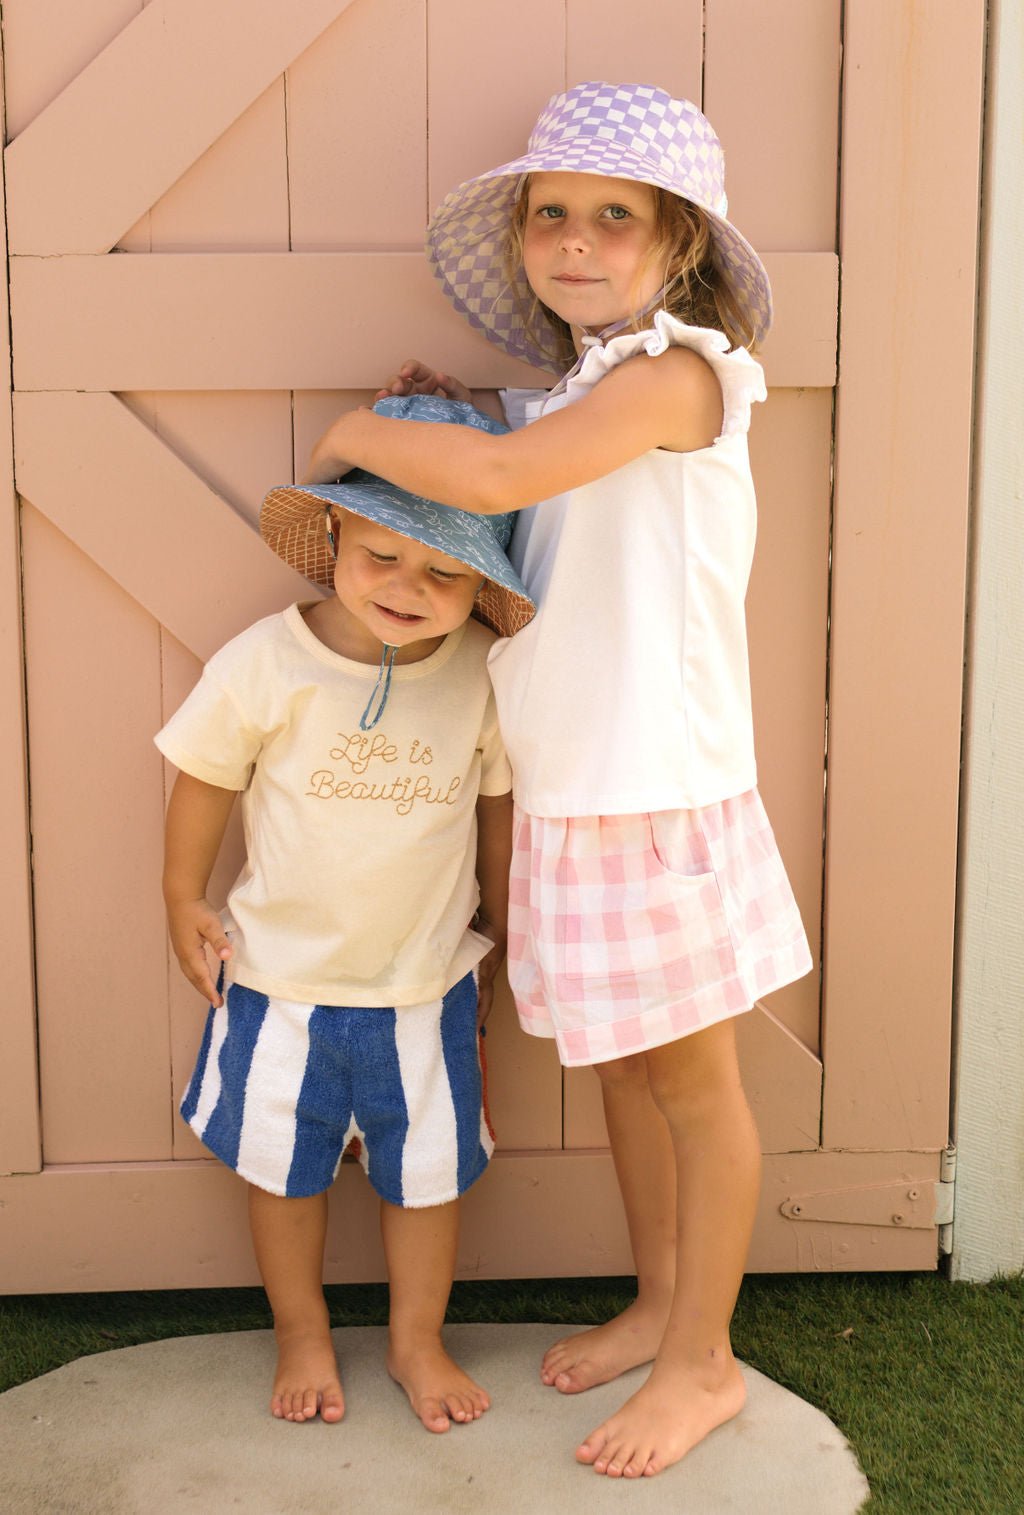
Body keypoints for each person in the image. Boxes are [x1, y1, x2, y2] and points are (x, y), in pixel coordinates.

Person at [300, 81, 813, 1478]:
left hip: (658, 784)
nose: (575, 240)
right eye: (550, 215)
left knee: (694, 1082)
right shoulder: (592, 382)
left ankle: (706, 1359)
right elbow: (513, 468)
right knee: (629, 1072)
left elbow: (507, 471)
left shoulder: (683, 373)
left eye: (614, 217)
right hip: (582, 780)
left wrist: (354, 435)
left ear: (681, 244)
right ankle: (660, 1297)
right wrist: (450, 426)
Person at [156, 395, 534, 1434]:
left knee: (428, 1181)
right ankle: (302, 1330)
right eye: (381, 558)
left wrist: (503, 929)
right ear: (332, 539)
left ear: (482, 585)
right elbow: (202, 777)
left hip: (426, 986)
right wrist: (181, 894)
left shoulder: (479, 681)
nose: (408, 590)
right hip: (278, 981)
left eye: (445, 573)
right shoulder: (265, 664)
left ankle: (417, 1339)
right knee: (284, 1172)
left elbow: (495, 812)